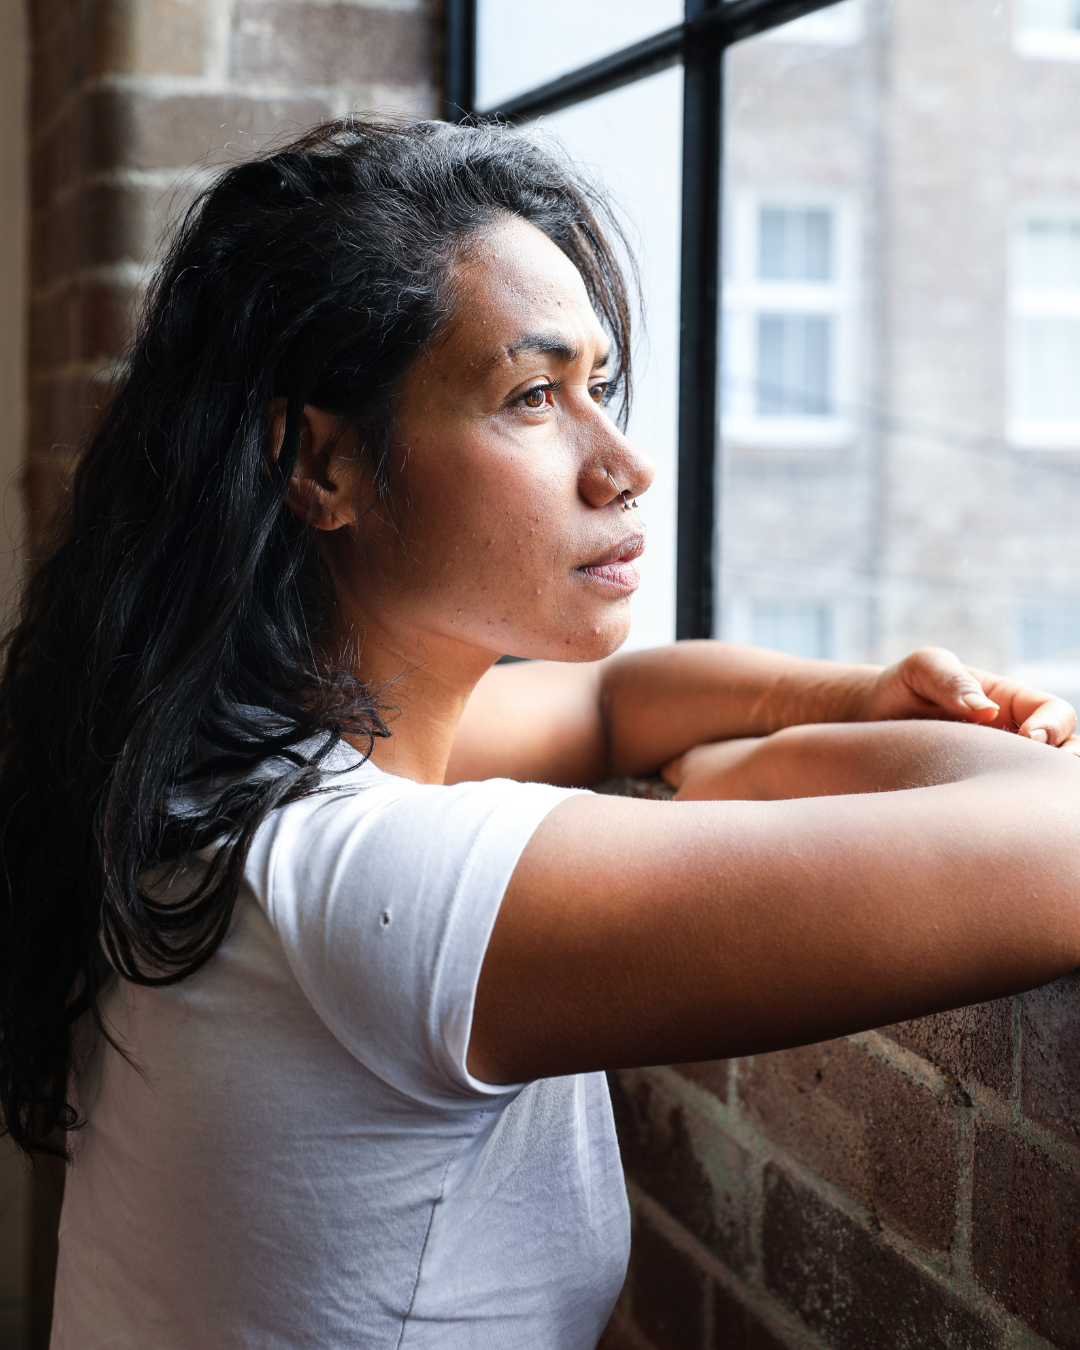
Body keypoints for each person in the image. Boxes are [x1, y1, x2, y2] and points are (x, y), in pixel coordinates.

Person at [1, 118, 1077, 1350]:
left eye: (598, 389)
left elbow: (619, 705)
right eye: (531, 398)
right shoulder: (371, 890)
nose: (622, 465)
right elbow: (1065, 844)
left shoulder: (207, 760)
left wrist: (831, 701)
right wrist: (751, 772)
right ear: (323, 465)